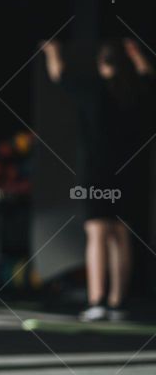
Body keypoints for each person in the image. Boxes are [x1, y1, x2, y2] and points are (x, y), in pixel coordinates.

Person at [42, 38, 154, 321]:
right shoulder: (133, 91)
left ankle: (97, 300)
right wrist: (137, 54)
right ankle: (116, 303)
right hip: (129, 174)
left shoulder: (92, 90)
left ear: (101, 64)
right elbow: (149, 78)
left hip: (97, 173)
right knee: (120, 236)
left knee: (98, 235)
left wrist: (52, 51)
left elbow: (59, 75)